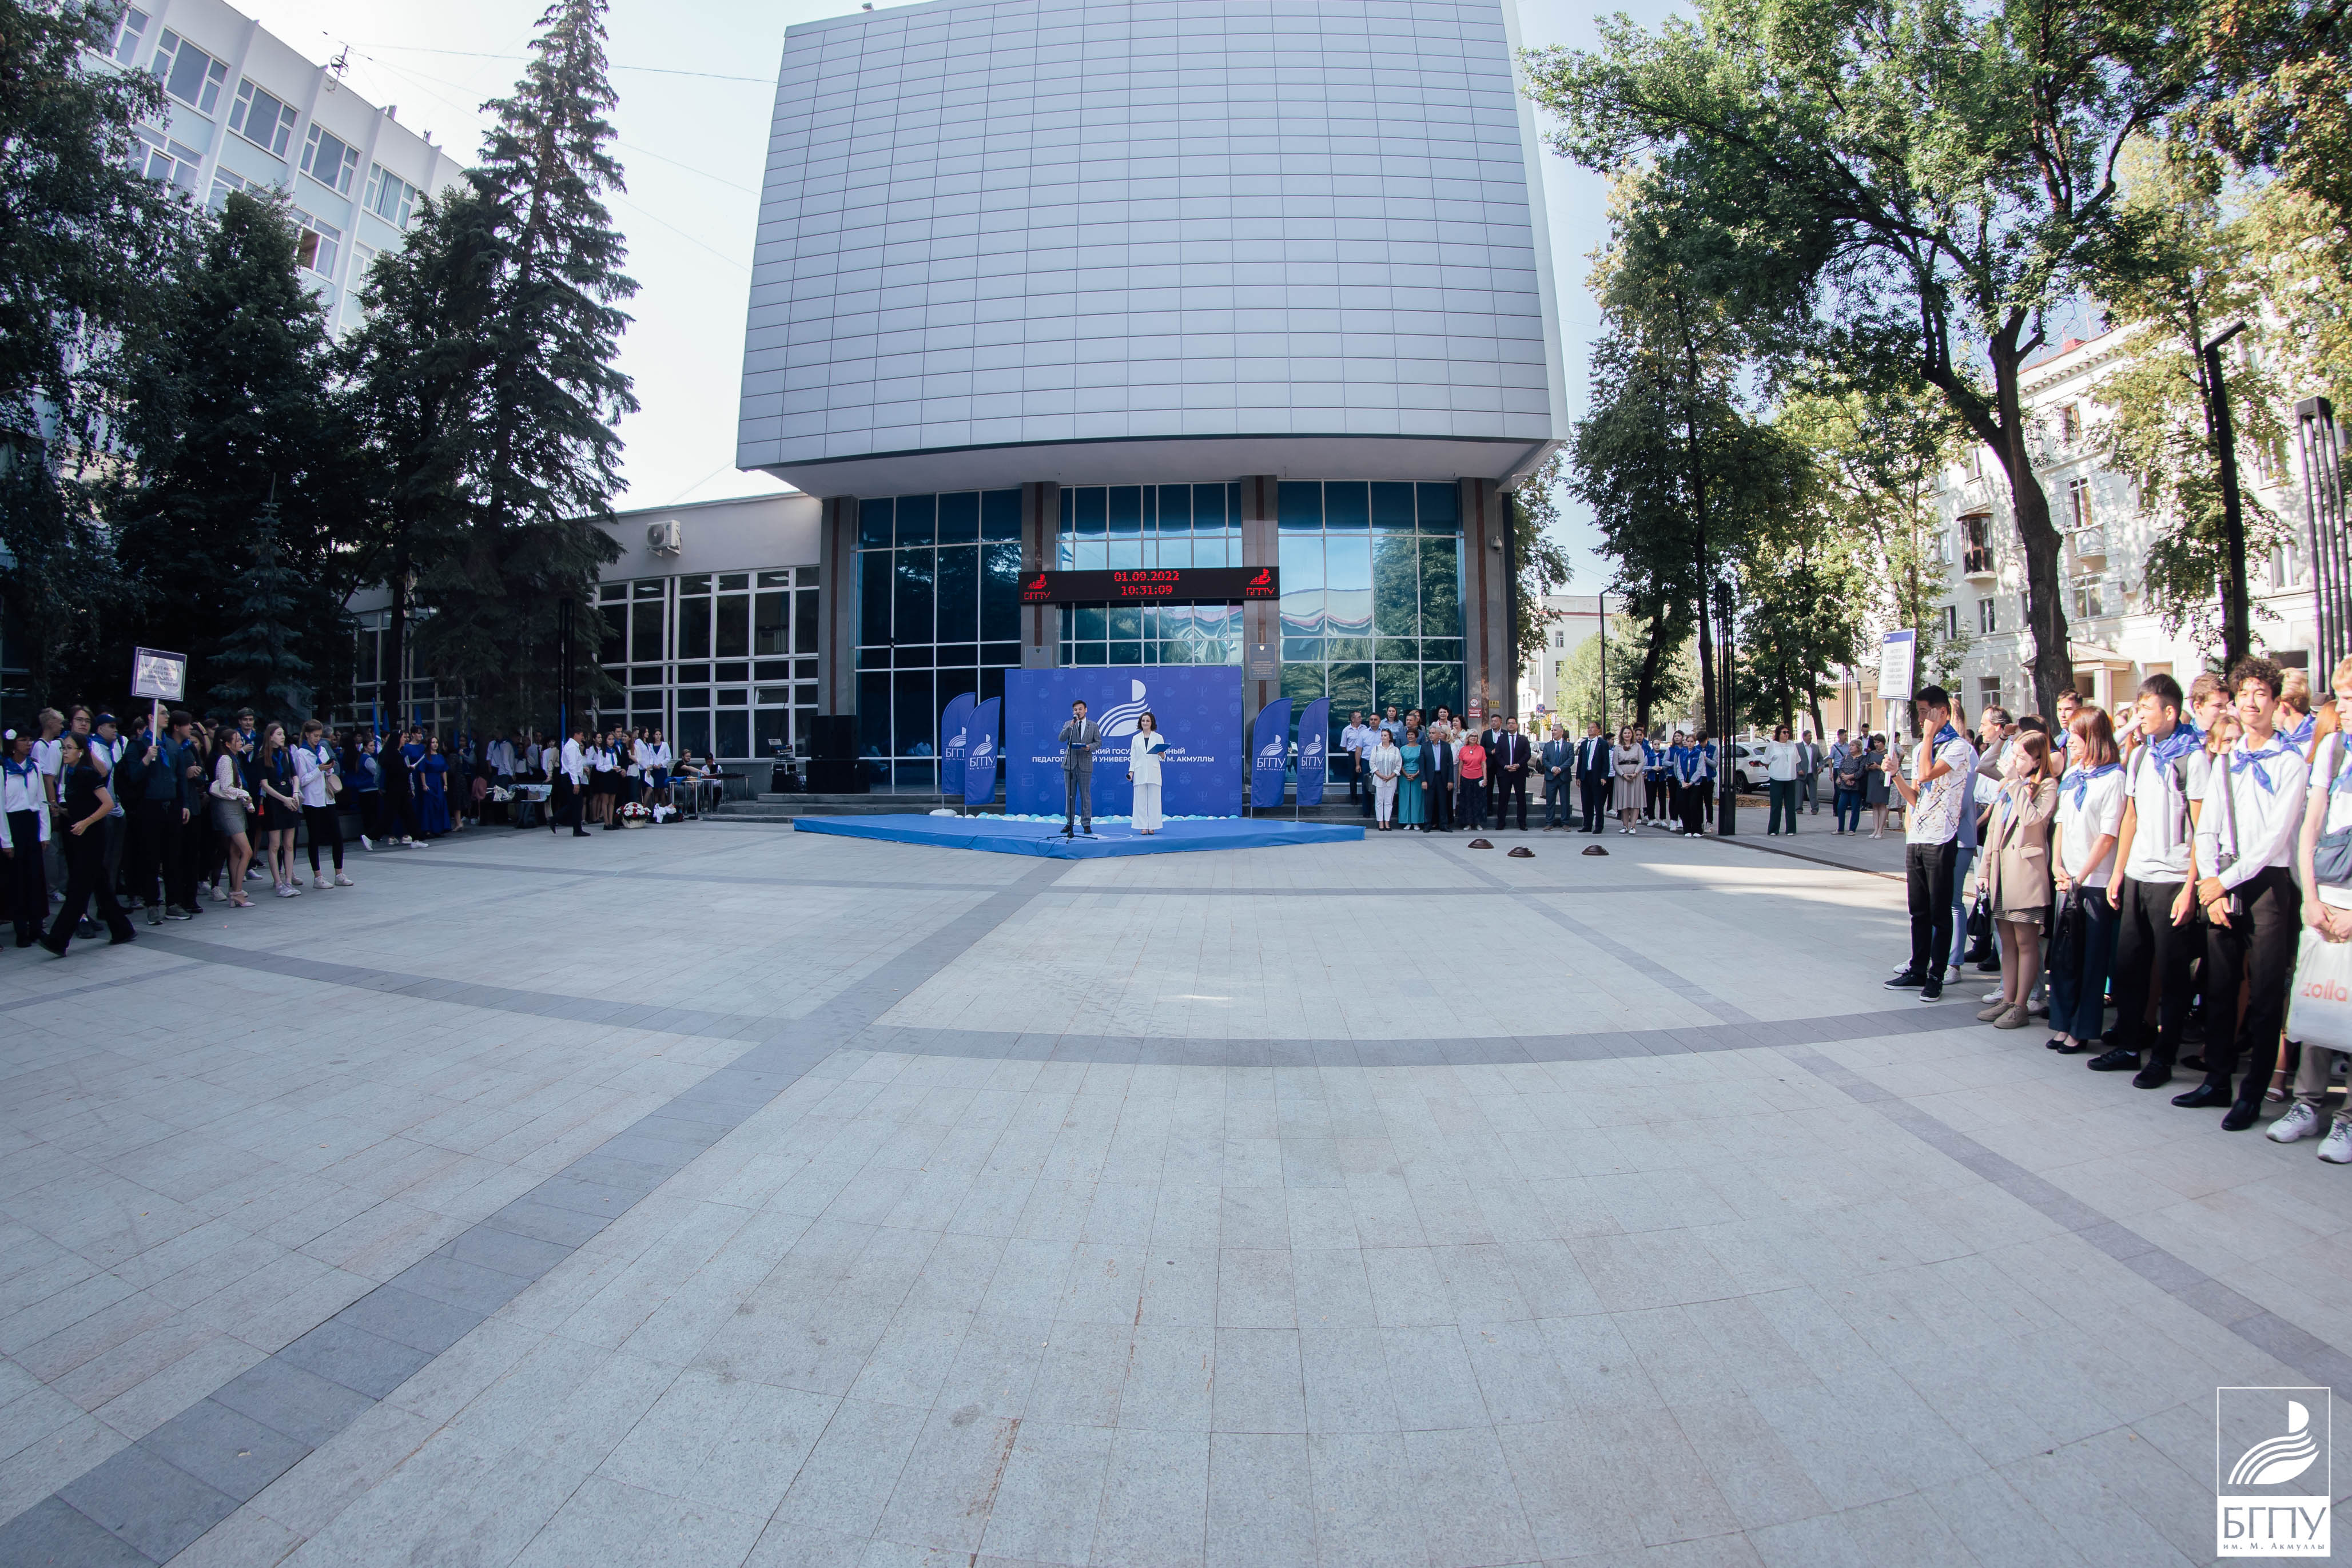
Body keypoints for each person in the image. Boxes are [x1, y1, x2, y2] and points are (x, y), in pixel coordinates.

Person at [2182, 656, 2307, 1130]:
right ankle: (2216, 1080)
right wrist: (2210, 885)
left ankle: (2252, 1093)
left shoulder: (2290, 762)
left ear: (2275, 703)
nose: (2252, 703)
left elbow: (2275, 839)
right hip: (2222, 882)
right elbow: (2206, 826)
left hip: (2268, 885)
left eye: (2261, 694)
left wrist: (2223, 881)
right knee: (2219, 986)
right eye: (2245, 694)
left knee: (2266, 992)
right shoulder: (2226, 760)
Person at [2087, 674, 2204, 1084]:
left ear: (2170, 712)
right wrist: (2119, 872)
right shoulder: (2140, 756)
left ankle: (2164, 1057)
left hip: (2173, 879)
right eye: (2137, 709)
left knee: (2172, 974)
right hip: (2138, 874)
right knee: (2129, 967)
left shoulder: (2193, 758)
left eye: (2146, 709)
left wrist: (2190, 887)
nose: (2139, 717)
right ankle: (2129, 1045)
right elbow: (2130, 818)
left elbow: (2201, 829)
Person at [2277, 653, 2352, 1161]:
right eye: (2338, 697)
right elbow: (2310, 826)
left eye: (2347, 699)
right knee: (2317, 1001)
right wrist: (2310, 898)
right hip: (2325, 896)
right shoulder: (2331, 748)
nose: (2337, 707)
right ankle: (2306, 1103)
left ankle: (2346, 1119)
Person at [1884, 686, 1976, 1003]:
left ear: (1942, 712)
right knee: (1918, 910)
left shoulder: (1957, 747)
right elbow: (1916, 798)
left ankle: (1937, 975)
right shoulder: (1930, 745)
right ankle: (1918, 969)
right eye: (1919, 713)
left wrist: (1927, 737)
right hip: (1918, 837)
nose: (1921, 719)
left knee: (1939, 911)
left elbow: (1925, 775)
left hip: (1942, 838)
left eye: (1925, 712)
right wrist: (1897, 775)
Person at [2047, 706, 2126, 1053]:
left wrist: (2080, 876)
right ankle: (2062, 1022)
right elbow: (2061, 823)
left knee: (2090, 960)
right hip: (2068, 880)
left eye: (2077, 737)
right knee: (2065, 958)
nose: (2071, 743)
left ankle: (2082, 1028)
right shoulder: (2074, 774)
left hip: (2095, 882)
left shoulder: (2114, 778)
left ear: (2094, 737)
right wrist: (2057, 865)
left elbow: (2107, 836)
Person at [1974, 730, 2057, 1027]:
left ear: (2037, 759)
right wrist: (1984, 871)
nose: (2014, 762)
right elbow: (1993, 831)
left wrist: (2016, 785)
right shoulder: (2009, 785)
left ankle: (2022, 1004)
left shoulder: (2047, 786)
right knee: (2006, 942)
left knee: (2026, 942)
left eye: (2021, 757)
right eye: (2014, 755)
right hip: (2001, 875)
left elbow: (2034, 820)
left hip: (2026, 876)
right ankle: (2008, 999)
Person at [38, 734, 134, 954]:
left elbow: (107, 804)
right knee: (100, 885)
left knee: (78, 890)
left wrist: (86, 822)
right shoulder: (72, 773)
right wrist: (64, 812)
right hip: (80, 836)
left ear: (80, 751)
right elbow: (83, 805)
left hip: (91, 838)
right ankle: (122, 930)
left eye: (69, 748)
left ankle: (58, 940)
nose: (65, 752)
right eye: (63, 748)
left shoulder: (87, 773)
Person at [2, 729, 52, 947]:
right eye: (23, 740)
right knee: (17, 880)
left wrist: (44, 833)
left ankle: (37, 926)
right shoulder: (4, 769)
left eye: (30, 740)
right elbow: (1, 808)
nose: (28, 743)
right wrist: (6, 841)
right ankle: (21, 929)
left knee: (35, 877)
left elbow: (41, 801)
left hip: (32, 824)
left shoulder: (35, 767)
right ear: (13, 744)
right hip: (13, 825)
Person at [294, 720, 351, 889]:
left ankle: (339, 873)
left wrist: (329, 768)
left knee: (337, 836)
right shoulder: (301, 753)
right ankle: (317, 876)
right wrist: (319, 769)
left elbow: (329, 772)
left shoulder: (322, 750)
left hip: (328, 797)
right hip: (312, 800)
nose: (318, 739)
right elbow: (302, 780)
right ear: (307, 735)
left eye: (319, 736)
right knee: (315, 837)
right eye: (315, 735)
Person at [208, 728, 257, 906]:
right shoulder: (225, 760)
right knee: (247, 851)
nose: (241, 742)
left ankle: (235, 891)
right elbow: (226, 787)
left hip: (236, 807)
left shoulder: (233, 759)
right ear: (228, 744)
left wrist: (246, 801)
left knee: (236, 851)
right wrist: (244, 794)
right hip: (228, 809)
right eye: (237, 740)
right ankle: (237, 891)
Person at [253, 724, 302, 897]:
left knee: (289, 843)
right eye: (279, 734)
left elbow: (295, 777)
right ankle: (278, 883)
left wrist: (295, 793)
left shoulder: (286, 753)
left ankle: (288, 880)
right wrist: (284, 799)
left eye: (283, 734)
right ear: (270, 737)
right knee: (275, 844)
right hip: (274, 800)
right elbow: (265, 785)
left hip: (289, 795)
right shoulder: (262, 757)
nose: (283, 737)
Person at [1058, 699, 1101, 835]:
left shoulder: (1093, 725)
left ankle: (1086, 823)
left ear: (1086, 710)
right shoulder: (1068, 724)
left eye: (1080, 709)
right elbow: (1061, 738)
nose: (1078, 712)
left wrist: (1089, 747)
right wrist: (1069, 727)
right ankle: (1069, 823)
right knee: (1069, 795)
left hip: (1085, 764)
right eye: (1075, 710)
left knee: (1085, 795)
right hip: (1070, 765)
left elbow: (1098, 743)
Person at [1127, 711, 1167, 834]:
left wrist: (1162, 754)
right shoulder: (1136, 738)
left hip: (1154, 771)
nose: (1145, 723)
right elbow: (1133, 757)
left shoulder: (1158, 737)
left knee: (1155, 801)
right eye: (1143, 721)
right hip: (1140, 772)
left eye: (1148, 721)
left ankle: (1153, 826)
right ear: (1140, 723)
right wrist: (1131, 772)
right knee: (1140, 801)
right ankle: (1142, 826)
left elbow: (1163, 757)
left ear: (1152, 723)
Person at [1488, 716, 1530, 830]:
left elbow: (1527, 754)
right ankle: (1501, 822)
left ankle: (1522, 823)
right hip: (1505, 773)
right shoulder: (1501, 739)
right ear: (1506, 726)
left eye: (1513, 723)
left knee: (1521, 798)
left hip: (1519, 772)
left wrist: (1518, 765)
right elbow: (1498, 755)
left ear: (1517, 725)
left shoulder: (1523, 739)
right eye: (1509, 723)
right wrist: (1506, 766)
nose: (1511, 725)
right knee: (1503, 798)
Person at [1764, 725, 1801, 835]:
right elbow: (1766, 762)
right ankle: (1773, 829)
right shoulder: (1773, 745)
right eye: (1784, 732)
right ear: (1779, 734)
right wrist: (1773, 770)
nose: (1787, 734)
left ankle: (1791, 829)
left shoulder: (1792, 745)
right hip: (1777, 778)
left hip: (1790, 778)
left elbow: (1797, 760)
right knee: (1776, 805)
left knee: (1790, 805)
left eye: (1788, 732)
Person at [1576, 721, 1611, 834]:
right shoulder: (1584, 744)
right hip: (1585, 776)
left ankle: (1599, 826)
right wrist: (1578, 777)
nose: (1590, 730)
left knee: (1598, 802)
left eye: (1592, 728)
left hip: (1597, 776)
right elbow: (1580, 761)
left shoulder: (1603, 744)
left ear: (1598, 730)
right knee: (1586, 802)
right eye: (1588, 728)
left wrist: (1604, 776)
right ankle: (1587, 825)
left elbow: (1606, 762)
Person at [557, 725, 591, 837]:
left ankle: (577, 828)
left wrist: (582, 769)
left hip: (572, 776)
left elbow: (575, 764)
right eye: (581, 735)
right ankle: (558, 820)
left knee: (576, 804)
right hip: (571, 777)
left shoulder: (573, 746)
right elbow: (572, 766)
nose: (582, 737)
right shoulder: (572, 747)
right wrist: (575, 783)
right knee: (576, 804)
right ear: (575, 735)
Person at [1541, 725, 1575, 830]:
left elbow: (1571, 759)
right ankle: (1549, 823)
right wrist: (1553, 769)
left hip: (1564, 777)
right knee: (1550, 801)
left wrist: (1560, 769)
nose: (1553, 732)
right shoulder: (1548, 745)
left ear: (1562, 732)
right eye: (1552, 730)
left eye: (1555, 730)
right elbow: (1545, 760)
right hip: (1551, 777)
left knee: (1565, 801)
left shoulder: (1569, 746)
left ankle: (1565, 823)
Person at [1830, 731, 1865, 835]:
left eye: (1853, 746)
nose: (1850, 748)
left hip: (1856, 787)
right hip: (1845, 786)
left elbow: (1861, 772)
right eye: (1850, 746)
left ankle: (1852, 829)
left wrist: (1850, 777)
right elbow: (1840, 768)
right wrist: (1845, 778)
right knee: (1841, 807)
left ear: (1858, 747)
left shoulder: (1862, 758)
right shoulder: (1846, 757)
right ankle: (1840, 829)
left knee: (1855, 808)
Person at [1424, 721, 1456, 832]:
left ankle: (1444, 824)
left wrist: (1450, 780)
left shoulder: (1446, 746)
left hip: (1442, 777)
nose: (1431, 735)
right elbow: (1422, 764)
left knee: (1443, 802)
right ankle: (1428, 824)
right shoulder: (1425, 746)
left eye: (1433, 733)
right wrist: (1424, 780)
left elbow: (1451, 764)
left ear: (1439, 734)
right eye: (1430, 733)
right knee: (1429, 802)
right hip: (1430, 778)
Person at [1677, 730, 1710, 836]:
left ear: (1695, 743)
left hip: (1695, 784)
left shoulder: (1699, 754)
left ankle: (1697, 830)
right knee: (1684, 806)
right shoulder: (1682, 754)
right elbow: (1679, 768)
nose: (1690, 743)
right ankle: (1687, 829)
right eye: (1688, 741)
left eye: (1692, 741)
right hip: (1684, 782)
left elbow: (1699, 770)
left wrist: (1691, 782)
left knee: (1694, 806)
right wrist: (1682, 781)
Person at [417, 735, 452, 836]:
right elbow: (422, 772)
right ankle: (428, 829)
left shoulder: (441, 757)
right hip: (429, 782)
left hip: (438, 783)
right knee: (429, 806)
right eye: (433, 743)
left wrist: (446, 784)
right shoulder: (425, 756)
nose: (435, 744)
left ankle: (438, 829)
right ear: (429, 744)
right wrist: (424, 784)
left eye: (436, 742)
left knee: (440, 805)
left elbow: (444, 771)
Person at [1368, 726, 1402, 829]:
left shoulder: (1395, 750)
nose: (1383, 737)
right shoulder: (1376, 748)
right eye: (1382, 735)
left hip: (1391, 779)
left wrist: (1391, 776)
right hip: (1379, 778)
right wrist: (1380, 775)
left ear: (1390, 737)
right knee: (1379, 801)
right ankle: (1380, 822)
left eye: (1385, 735)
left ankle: (1387, 821)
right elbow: (1372, 763)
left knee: (1389, 801)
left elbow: (1399, 765)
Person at [1456, 726, 1486, 830]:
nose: (1473, 738)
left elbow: (1484, 764)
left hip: (1478, 778)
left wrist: (1485, 778)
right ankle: (1468, 823)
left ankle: (1477, 823)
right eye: (1471, 736)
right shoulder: (1463, 749)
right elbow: (1460, 766)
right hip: (1466, 778)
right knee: (1467, 801)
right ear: (1468, 738)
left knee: (1478, 801)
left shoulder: (1481, 749)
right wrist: (1459, 780)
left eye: (1475, 736)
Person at [1864, 733, 1892, 837]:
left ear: (1883, 743)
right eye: (1875, 742)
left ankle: (1881, 830)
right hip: (1873, 779)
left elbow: (1890, 768)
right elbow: (1866, 766)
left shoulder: (1888, 753)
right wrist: (1869, 767)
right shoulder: (1872, 753)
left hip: (1883, 780)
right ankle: (1875, 829)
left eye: (1878, 742)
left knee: (1882, 804)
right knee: (1875, 805)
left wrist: (1878, 767)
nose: (1876, 744)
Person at [1798, 731, 1822, 814]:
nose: (1811, 737)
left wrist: (1821, 767)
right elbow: (1794, 760)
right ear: (1804, 737)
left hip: (1813, 774)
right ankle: (1799, 808)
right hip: (1801, 774)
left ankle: (1815, 809)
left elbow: (1821, 759)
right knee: (1799, 792)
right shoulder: (1798, 747)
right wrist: (1798, 769)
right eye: (1809, 736)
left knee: (1813, 793)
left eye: (1811, 736)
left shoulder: (1815, 747)